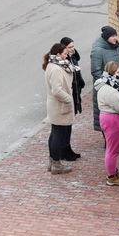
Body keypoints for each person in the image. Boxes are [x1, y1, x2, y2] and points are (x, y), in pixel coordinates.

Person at [94, 61, 119, 187]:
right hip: (112, 119)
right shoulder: (110, 90)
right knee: (113, 150)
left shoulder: (109, 85)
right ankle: (111, 177)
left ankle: (113, 171)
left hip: (109, 118)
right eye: (118, 72)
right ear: (111, 74)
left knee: (113, 148)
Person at [43, 43, 75, 174]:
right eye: (64, 53)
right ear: (57, 54)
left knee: (55, 133)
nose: (66, 55)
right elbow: (57, 90)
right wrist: (68, 99)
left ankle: (53, 162)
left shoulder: (53, 65)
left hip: (56, 105)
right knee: (58, 135)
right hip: (59, 105)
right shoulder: (56, 69)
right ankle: (56, 163)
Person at [90, 26, 119, 132]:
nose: (115, 38)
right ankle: (108, 141)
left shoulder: (114, 47)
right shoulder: (98, 50)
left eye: (115, 35)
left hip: (116, 85)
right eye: (112, 36)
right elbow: (96, 71)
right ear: (106, 37)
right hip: (104, 88)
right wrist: (108, 85)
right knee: (106, 112)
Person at [58, 37, 85, 160]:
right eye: (69, 47)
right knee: (65, 123)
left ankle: (67, 148)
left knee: (70, 122)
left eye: (73, 46)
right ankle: (63, 150)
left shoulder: (73, 58)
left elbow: (76, 72)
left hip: (75, 93)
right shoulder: (63, 61)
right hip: (68, 94)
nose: (72, 49)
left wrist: (81, 82)